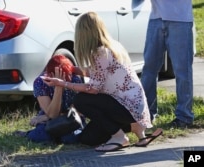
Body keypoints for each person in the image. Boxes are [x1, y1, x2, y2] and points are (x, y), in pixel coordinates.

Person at [41, 12, 163, 152]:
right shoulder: (111, 46)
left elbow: (93, 89)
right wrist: (73, 69)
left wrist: (62, 83)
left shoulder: (100, 53)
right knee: (88, 139)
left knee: (81, 99)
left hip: (127, 108)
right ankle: (134, 128)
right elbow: (97, 73)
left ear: (85, 33)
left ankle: (119, 137)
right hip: (130, 107)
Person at [140, 0, 194, 128]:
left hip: (180, 19)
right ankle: (147, 114)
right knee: (149, 69)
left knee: (182, 71)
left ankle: (184, 117)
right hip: (156, 18)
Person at [14, 55, 83, 144]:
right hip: (50, 120)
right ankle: (28, 134)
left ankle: (56, 137)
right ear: (50, 75)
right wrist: (59, 87)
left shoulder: (75, 80)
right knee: (41, 137)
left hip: (71, 119)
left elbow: (76, 112)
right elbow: (52, 114)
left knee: (70, 139)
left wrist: (45, 117)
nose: (65, 81)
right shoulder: (40, 82)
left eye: (68, 77)